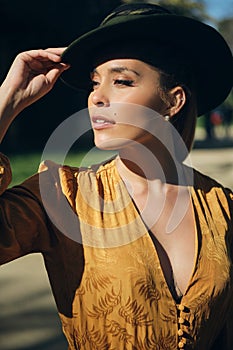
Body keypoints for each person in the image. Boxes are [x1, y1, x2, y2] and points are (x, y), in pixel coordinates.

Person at [0, 3, 233, 349]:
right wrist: (8, 98)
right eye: (95, 83)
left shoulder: (223, 207)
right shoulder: (63, 194)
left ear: (174, 100)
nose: (97, 96)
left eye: (122, 81)